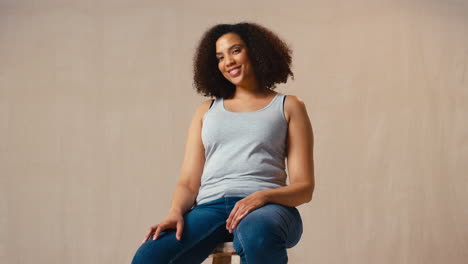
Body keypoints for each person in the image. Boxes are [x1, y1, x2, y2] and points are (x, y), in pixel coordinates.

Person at [131, 22, 315, 264]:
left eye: (235, 50)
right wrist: (175, 212)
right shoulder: (206, 110)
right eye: (220, 57)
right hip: (211, 209)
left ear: (256, 51)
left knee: (256, 234)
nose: (228, 61)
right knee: (150, 256)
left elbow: (304, 188)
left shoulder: (288, 106)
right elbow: (188, 182)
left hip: (268, 209)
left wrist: (262, 197)